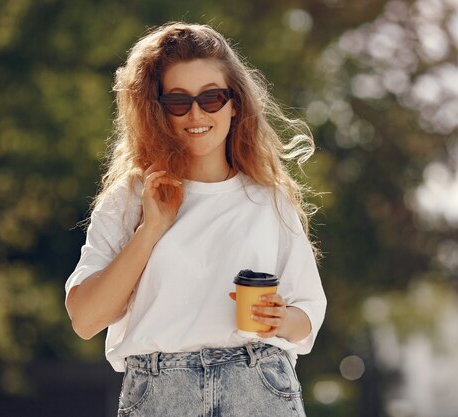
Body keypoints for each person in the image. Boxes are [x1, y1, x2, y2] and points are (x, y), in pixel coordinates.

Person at [64, 22, 326, 417]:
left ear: (234, 103)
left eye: (211, 97)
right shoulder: (131, 198)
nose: (196, 113)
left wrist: (280, 318)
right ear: (158, 109)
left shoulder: (269, 199)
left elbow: (307, 316)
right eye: (178, 101)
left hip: (259, 388)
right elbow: (85, 319)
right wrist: (150, 229)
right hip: (159, 395)